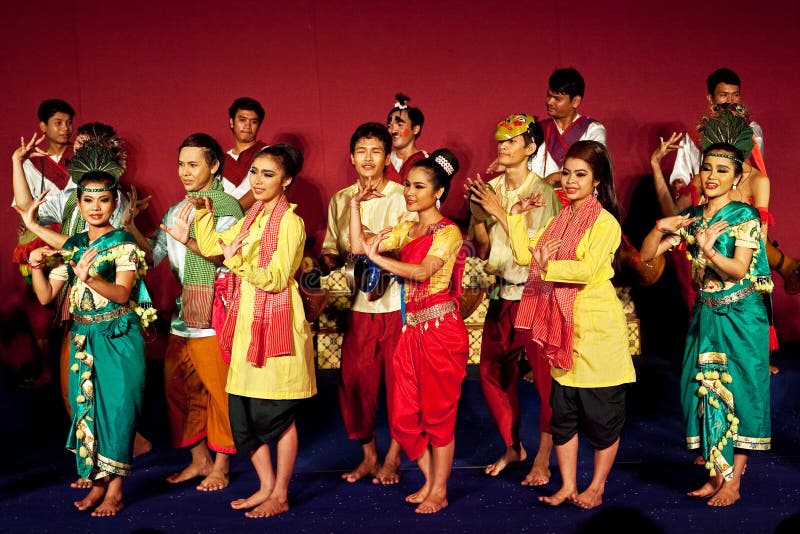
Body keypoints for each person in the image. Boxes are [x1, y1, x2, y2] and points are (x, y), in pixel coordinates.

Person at [495, 140, 635, 509]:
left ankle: (597, 486)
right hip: (563, 329)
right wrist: (515, 215)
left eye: (581, 175)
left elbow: (587, 270)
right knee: (564, 418)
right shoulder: (562, 217)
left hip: (597, 331)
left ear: (598, 181)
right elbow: (526, 254)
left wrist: (547, 265)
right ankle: (568, 485)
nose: (570, 181)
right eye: (568, 172)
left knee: (603, 421)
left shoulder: (605, 223)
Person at [641, 139, 772, 507]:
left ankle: (733, 482)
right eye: (708, 168)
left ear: (736, 177)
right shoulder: (696, 216)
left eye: (722, 170)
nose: (711, 176)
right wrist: (660, 225)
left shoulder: (744, 216)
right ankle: (717, 475)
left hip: (741, 318)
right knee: (704, 390)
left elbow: (739, 268)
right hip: (706, 316)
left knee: (740, 392)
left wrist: (709, 250)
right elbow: (649, 253)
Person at [192, 144, 317, 518]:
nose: (258, 181)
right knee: (243, 416)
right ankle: (264, 486)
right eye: (254, 173)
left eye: (268, 174)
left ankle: (280, 492)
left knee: (276, 415)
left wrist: (236, 264)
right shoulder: (253, 218)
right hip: (247, 323)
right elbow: (215, 247)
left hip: (277, 323)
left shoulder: (290, 222)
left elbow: (277, 279)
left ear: (287, 179)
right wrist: (203, 216)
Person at [26, 170, 152, 517]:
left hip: (117, 337)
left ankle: (115, 490)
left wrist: (90, 277)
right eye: (88, 200)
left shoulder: (123, 242)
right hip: (84, 338)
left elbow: (123, 293)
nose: (96, 207)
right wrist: (35, 265)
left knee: (117, 412)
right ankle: (98, 483)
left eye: (104, 199)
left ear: (114, 203)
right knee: (89, 411)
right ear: (78, 204)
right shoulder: (75, 246)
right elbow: (45, 296)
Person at [350, 149, 468, 514]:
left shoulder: (448, 232)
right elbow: (358, 245)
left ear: (438, 192)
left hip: (441, 331)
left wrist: (379, 260)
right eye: (407, 185)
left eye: (418, 187)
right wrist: (355, 205)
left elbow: (423, 272)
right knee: (403, 416)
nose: (409, 192)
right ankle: (431, 483)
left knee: (438, 415)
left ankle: (439, 489)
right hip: (412, 331)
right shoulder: (408, 228)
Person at [125, 133, 243, 492]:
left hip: (216, 308)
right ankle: (199, 460)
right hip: (184, 312)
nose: (185, 172)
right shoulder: (176, 210)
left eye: (193, 164)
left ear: (214, 165)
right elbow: (152, 256)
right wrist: (130, 224)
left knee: (219, 391)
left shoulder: (227, 207)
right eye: (181, 164)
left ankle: (222, 465)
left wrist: (189, 238)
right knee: (177, 386)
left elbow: (222, 256)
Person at [467, 114, 560, 485]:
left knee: (545, 381)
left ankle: (544, 455)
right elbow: (482, 238)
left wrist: (500, 212)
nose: (503, 147)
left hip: (535, 293)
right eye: (500, 142)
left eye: (511, 142)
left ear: (530, 148)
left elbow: (538, 250)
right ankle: (512, 445)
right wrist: (477, 206)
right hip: (501, 292)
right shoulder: (492, 188)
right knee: (491, 372)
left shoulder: (544, 192)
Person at [320, 123, 412, 485]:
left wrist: (378, 248)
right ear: (351, 157)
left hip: (396, 304)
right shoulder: (341, 200)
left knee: (401, 385)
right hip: (359, 307)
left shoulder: (404, 195)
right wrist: (320, 265)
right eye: (361, 151)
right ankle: (369, 455)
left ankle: (394, 456)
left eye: (376, 151)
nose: (368, 158)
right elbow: (332, 247)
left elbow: (413, 247)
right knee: (356, 385)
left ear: (388, 156)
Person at [529, 68, 607, 188]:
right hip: (540, 200)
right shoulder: (539, 128)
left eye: (557, 98)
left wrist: (555, 177)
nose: (549, 101)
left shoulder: (592, 129)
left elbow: (593, 167)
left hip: (577, 201)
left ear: (575, 101)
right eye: (548, 95)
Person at [221, 97, 268, 209]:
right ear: (232, 122)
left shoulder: (267, 154)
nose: (247, 126)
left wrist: (231, 213)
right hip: (222, 221)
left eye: (254, 122)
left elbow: (263, 188)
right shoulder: (221, 160)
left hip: (255, 221)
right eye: (242, 120)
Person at [385, 93, 427, 184]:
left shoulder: (427, 161)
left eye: (400, 125)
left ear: (415, 129)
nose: (393, 131)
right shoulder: (382, 160)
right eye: (389, 126)